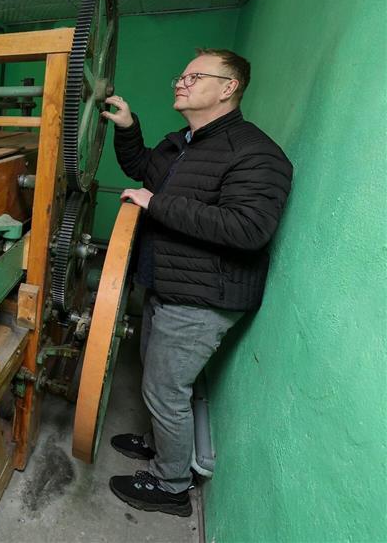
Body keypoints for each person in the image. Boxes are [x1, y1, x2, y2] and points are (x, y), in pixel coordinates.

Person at [101, 49, 293, 517]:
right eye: (180, 75)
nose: (180, 83)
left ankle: (172, 488)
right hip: (167, 283)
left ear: (228, 88)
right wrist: (128, 127)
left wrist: (155, 204)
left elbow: (248, 229)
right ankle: (158, 445)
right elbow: (144, 171)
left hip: (203, 297)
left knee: (166, 390)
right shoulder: (183, 142)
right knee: (157, 380)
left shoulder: (256, 153)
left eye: (194, 76)